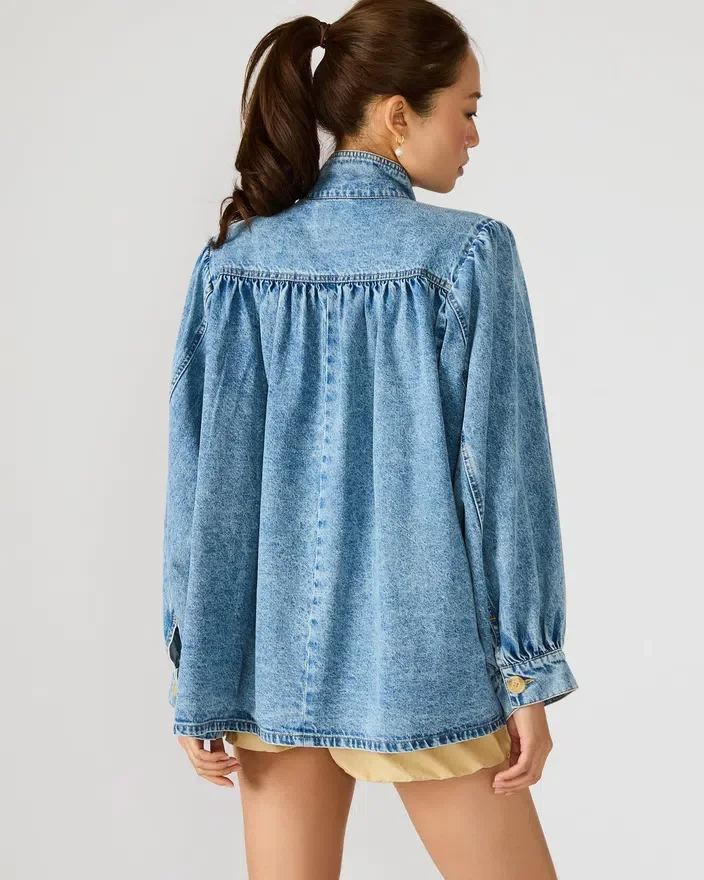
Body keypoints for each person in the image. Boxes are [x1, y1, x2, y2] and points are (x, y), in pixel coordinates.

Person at [161, 0, 579, 876]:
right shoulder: (467, 256)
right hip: (422, 656)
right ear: (398, 115)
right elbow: (503, 477)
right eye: (466, 109)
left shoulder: (232, 264)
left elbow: (200, 486)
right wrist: (529, 668)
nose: (474, 136)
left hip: (265, 659)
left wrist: (196, 661)